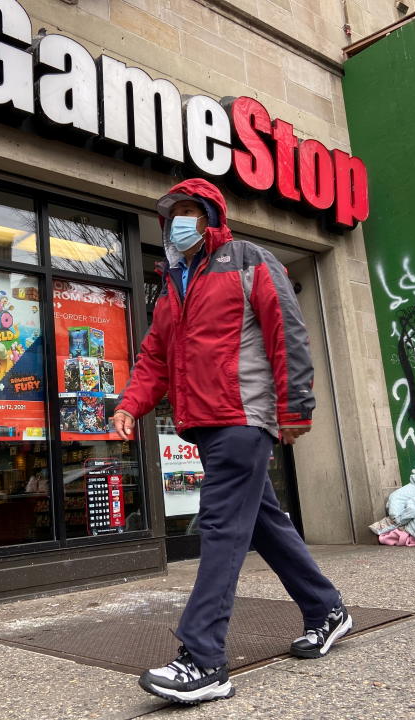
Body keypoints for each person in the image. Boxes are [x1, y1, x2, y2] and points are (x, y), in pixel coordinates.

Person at [113, 178, 351, 705]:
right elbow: (155, 357)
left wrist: (295, 408)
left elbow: (288, 332)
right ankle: (327, 608)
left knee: (220, 526)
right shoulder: (173, 285)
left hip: (244, 417)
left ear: (211, 217)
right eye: (172, 213)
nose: (180, 222)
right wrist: (132, 403)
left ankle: (204, 660)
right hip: (203, 421)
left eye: (190, 213)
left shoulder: (249, 259)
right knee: (264, 523)